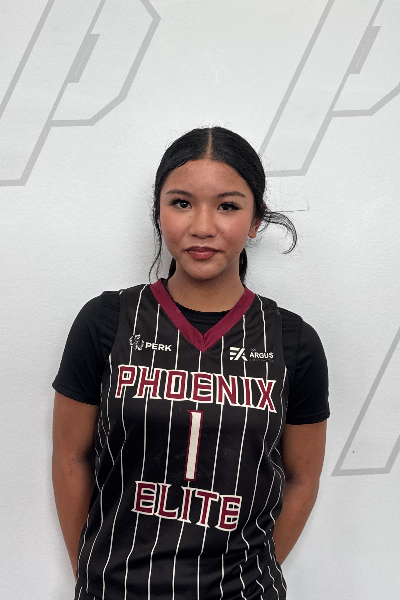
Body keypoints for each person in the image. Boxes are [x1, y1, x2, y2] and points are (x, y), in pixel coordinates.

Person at [52, 126, 329, 600]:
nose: (202, 226)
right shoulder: (106, 321)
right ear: (158, 212)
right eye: (181, 203)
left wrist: (245, 578)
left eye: (228, 206)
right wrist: (94, 573)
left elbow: (302, 478)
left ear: (256, 219)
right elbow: (70, 457)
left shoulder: (293, 342)